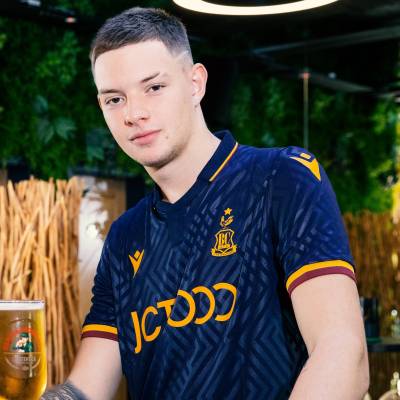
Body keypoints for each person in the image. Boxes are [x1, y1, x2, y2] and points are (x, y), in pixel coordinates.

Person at [42, 6, 369, 400]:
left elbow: (342, 351)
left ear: (195, 83)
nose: (134, 113)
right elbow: (83, 391)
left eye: (154, 87)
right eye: (115, 99)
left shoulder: (280, 178)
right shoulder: (125, 237)